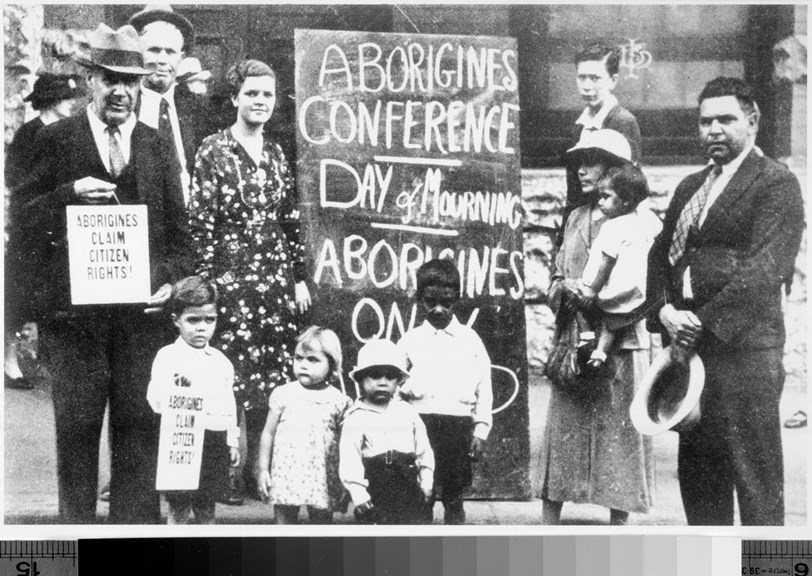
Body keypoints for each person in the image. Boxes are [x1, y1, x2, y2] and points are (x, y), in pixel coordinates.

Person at [9, 23, 191, 524]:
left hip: (141, 320)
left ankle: (133, 539)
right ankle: (77, 538)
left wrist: (171, 281)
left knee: (139, 428)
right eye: (109, 79)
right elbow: (20, 216)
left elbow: (180, 233)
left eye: (130, 81)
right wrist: (69, 192)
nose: (120, 91)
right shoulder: (55, 139)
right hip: (74, 321)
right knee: (77, 431)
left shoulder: (155, 145)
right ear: (90, 80)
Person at [647, 77, 804, 526]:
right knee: (699, 477)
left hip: (745, 352)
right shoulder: (690, 187)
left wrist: (700, 325)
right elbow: (660, 256)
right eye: (705, 121)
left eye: (725, 119)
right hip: (689, 350)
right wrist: (664, 312)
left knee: (754, 478)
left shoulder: (775, 183)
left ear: (752, 122)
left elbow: (765, 269)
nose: (713, 130)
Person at [189, 59, 311, 502]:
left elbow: (289, 219)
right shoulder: (213, 149)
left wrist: (298, 277)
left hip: (274, 278)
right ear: (236, 97)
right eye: (253, 94)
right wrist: (205, 285)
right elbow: (201, 221)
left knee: (269, 375)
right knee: (229, 376)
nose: (260, 102)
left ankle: (258, 474)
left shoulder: (277, 153)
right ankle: (222, 476)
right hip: (231, 278)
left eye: (268, 95)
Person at [542, 128, 654, 525]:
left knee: (619, 433)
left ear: (617, 171)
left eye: (593, 161)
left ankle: (618, 523)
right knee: (565, 430)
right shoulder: (574, 218)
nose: (583, 170)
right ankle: (549, 520)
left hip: (622, 339)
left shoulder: (642, 224)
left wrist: (608, 303)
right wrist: (565, 290)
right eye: (579, 162)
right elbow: (554, 276)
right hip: (574, 338)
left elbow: (650, 286)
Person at [397, 258, 493, 525]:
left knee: (453, 491)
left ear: (457, 299)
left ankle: (455, 538)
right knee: (421, 491)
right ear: (419, 299)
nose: (438, 309)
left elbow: (484, 387)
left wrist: (481, 429)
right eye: (430, 302)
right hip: (419, 423)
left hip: (457, 426)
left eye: (447, 302)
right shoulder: (410, 341)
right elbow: (394, 385)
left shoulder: (470, 341)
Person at [5, 72, 81, 390]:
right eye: (66, 99)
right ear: (52, 101)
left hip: (59, 224)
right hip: (31, 225)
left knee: (53, 294)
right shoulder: (29, 134)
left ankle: (47, 359)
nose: (72, 104)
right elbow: (15, 179)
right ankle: (9, 361)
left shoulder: (67, 133)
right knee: (19, 295)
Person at [146, 276, 240, 524]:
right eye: (193, 320)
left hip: (212, 439)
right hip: (180, 438)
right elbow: (154, 397)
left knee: (206, 503)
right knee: (178, 504)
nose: (202, 327)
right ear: (176, 320)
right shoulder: (167, 357)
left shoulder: (221, 362)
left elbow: (228, 405)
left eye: (209, 320)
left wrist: (232, 441)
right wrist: (175, 395)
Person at [256, 326, 351, 524]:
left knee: (321, 523)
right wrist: (263, 469)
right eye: (298, 358)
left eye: (313, 360)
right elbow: (268, 433)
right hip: (287, 473)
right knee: (284, 522)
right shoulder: (283, 394)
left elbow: (346, 444)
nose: (303, 365)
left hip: (322, 476)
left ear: (331, 365)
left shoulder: (339, 400)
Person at [340, 339, 434, 525]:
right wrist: (359, 495)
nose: (382, 383)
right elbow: (350, 459)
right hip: (376, 486)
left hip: (407, 483)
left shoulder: (407, 412)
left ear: (399, 380)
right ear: (360, 379)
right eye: (375, 376)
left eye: (390, 377)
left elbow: (424, 449)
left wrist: (426, 482)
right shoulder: (356, 417)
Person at [577, 164, 662, 369]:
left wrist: (592, 289)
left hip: (614, 286)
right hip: (636, 288)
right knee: (616, 320)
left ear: (625, 201)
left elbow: (606, 263)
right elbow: (659, 231)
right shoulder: (644, 219)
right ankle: (600, 353)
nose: (600, 202)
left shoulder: (613, 227)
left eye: (606, 197)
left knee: (581, 298)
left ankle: (588, 337)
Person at [129, 4, 209, 205]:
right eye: (154, 50)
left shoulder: (196, 109)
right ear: (138, 53)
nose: (163, 60)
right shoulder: (123, 105)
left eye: (171, 52)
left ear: (182, 58)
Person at [563, 43, 642, 227]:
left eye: (595, 78)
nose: (587, 86)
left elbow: (629, 187)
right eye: (582, 78)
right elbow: (573, 193)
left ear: (613, 80)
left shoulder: (622, 122)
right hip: (581, 225)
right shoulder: (580, 126)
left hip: (611, 225)